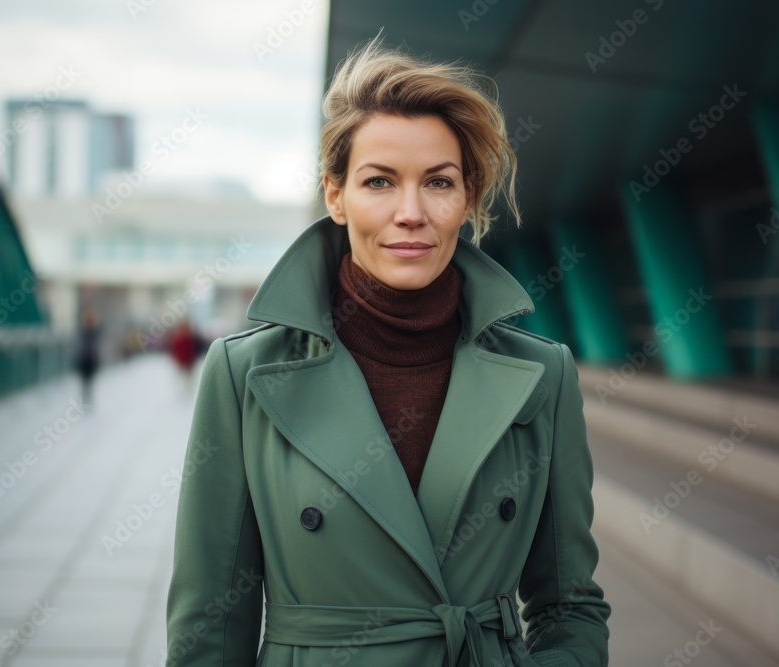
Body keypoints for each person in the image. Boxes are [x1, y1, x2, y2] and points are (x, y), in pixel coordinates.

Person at [166, 33, 610, 666]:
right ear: (335, 196)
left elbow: (570, 605)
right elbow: (210, 621)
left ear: (467, 200)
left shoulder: (544, 374)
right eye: (379, 182)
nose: (410, 212)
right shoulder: (246, 374)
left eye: (438, 182)